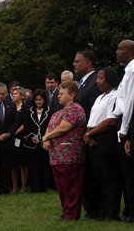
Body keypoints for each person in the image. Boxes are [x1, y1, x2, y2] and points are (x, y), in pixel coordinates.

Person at [42, 81, 86, 221]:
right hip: (56, 157)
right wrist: (47, 139)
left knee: (71, 186)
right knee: (61, 187)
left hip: (70, 155)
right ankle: (66, 212)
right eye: (58, 94)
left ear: (72, 95)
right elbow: (50, 127)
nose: (59, 96)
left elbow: (63, 128)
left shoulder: (75, 109)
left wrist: (46, 137)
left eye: (61, 94)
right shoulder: (57, 112)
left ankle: (72, 214)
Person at [82, 68, 122, 221]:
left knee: (110, 177)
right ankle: (102, 209)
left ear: (110, 79)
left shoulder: (115, 96)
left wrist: (91, 133)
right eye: (97, 78)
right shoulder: (99, 98)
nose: (97, 81)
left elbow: (111, 120)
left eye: (100, 78)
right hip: (93, 138)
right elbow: (92, 118)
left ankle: (111, 212)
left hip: (105, 138)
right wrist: (88, 134)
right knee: (99, 176)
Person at [73, 51, 102, 220]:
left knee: (92, 175)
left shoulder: (96, 82)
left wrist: (90, 132)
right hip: (81, 135)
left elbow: (95, 110)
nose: (75, 64)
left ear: (89, 62)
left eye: (78, 61)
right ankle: (90, 207)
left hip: (92, 136)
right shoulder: (82, 83)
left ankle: (95, 208)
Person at [108, 40, 134, 223]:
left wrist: (124, 131)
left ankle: (132, 211)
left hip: (128, 125)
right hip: (125, 123)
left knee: (130, 172)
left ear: (130, 51)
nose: (117, 52)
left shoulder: (132, 71)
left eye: (121, 48)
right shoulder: (127, 72)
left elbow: (130, 103)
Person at [22, 89, 52, 193]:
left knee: (44, 165)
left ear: (44, 100)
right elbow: (26, 125)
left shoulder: (49, 111)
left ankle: (44, 187)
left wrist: (46, 137)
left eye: (40, 100)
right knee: (34, 165)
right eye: (36, 100)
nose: (38, 102)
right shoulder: (29, 111)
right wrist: (31, 136)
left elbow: (51, 125)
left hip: (45, 141)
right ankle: (35, 187)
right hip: (32, 143)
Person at [11, 86, 28, 193]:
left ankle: (23, 186)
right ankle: (14, 187)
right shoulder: (11, 107)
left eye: (16, 94)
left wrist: (14, 132)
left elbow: (25, 124)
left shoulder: (26, 108)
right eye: (13, 94)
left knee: (22, 163)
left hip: (21, 138)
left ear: (21, 96)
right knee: (13, 163)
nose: (14, 95)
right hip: (11, 138)